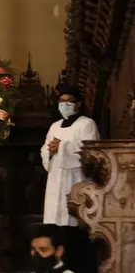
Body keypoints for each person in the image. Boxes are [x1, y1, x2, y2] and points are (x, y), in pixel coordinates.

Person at [41, 84, 100, 226]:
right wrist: (50, 150)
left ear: (78, 103)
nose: (64, 105)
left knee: (74, 218)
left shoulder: (87, 124)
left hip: (76, 176)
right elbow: (44, 148)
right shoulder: (55, 126)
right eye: (61, 101)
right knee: (55, 216)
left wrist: (62, 146)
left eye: (69, 101)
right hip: (56, 176)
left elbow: (89, 150)